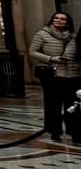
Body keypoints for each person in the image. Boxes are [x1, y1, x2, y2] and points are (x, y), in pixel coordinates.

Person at [28, 11, 79, 142]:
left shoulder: (73, 36)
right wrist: (50, 58)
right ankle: (54, 131)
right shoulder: (42, 34)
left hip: (71, 74)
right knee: (53, 104)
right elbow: (32, 51)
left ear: (67, 22)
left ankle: (73, 131)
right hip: (51, 73)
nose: (59, 20)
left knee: (71, 103)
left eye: (62, 19)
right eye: (56, 18)